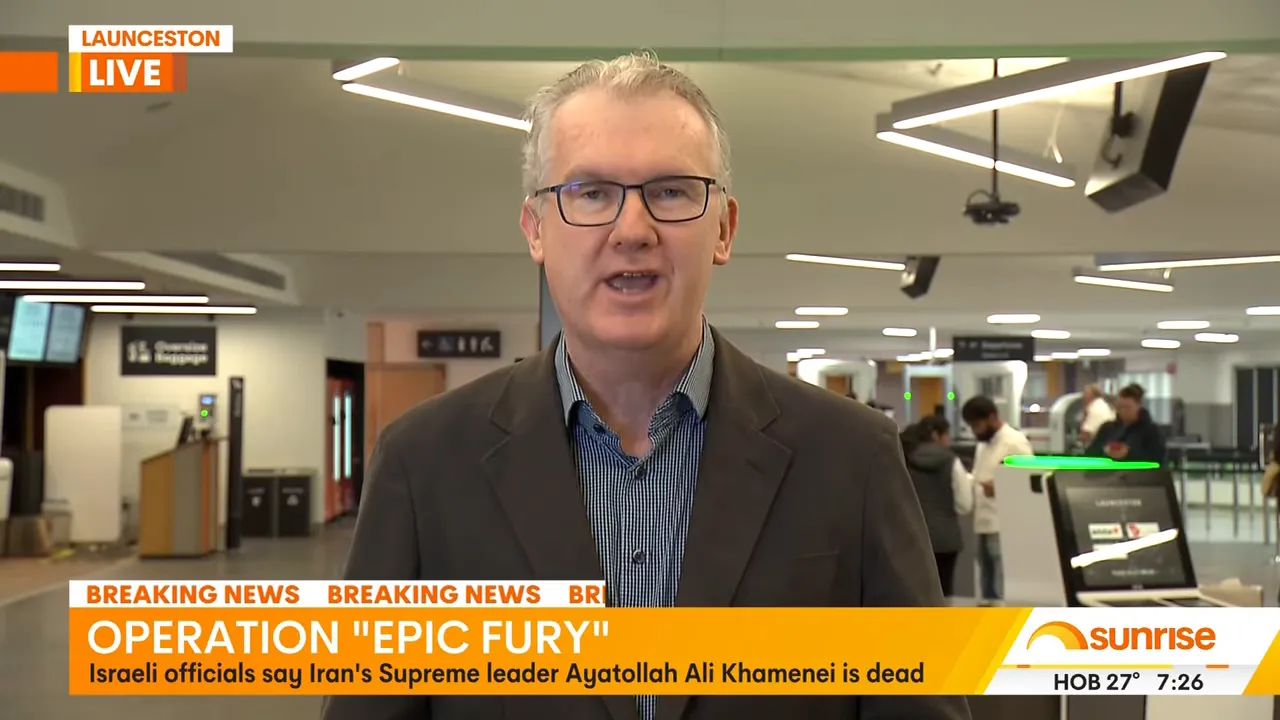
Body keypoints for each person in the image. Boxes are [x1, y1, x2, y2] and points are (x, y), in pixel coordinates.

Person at [323, 53, 968, 720]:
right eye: (591, 193)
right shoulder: (424, 465)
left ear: (723, 229)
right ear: (536, 230)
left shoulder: (851, 458)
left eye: (670, 191)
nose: (633, 231)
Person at [960, 396, 1033, 603]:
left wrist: (1000, 488)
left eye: (977, 425)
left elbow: (1028, 480)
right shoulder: (983, 445)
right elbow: (977, 476)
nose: (975, 431)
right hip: (982, 521)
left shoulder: (1015, 442)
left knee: (1003, 583)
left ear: (992, 417)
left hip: (1004, 523)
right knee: (985, 581)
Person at [900, 416, 973, 597]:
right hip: (946, 538)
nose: (949, 439)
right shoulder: (951, 461)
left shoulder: (904, 457)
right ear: (935, 435)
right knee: (944, 591)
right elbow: (965, 504)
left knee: (918, 592)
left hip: (913, 536)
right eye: (946, 434)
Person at [1085, 383, 1167, 465]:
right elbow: (1090, 454)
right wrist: (1105, 452)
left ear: (1138, 406)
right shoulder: (1107, 428)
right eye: (1120, 407)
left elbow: (1157, 459)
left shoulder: (1151, 432)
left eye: (1127, 407)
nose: (1123, 411)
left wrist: (1129, 455)